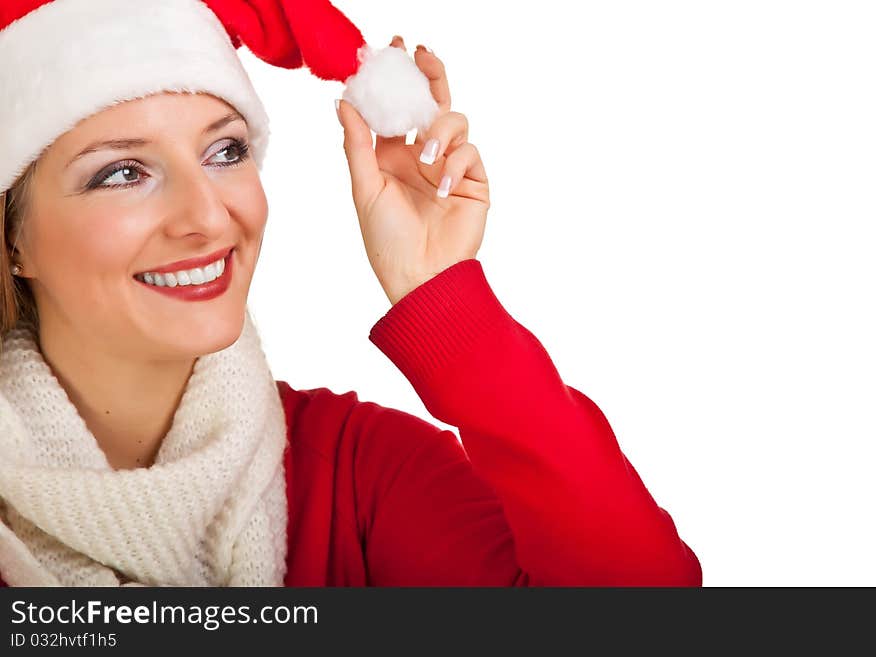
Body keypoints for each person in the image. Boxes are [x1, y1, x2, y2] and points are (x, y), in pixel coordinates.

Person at [0, 0, 701, 587]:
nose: (209, 216)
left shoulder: (354, 475)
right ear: (14, 239)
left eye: (226, 152)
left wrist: (443, 293)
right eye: (123, 173)